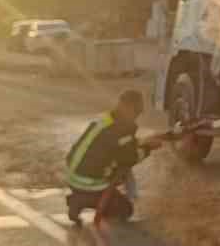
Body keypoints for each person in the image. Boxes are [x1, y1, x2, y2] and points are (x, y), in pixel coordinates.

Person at [64, 89, 162, 227]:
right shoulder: (122, 129)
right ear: (126, 107)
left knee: (115, 165)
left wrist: (142, 142)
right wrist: (149, 148)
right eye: (136, 112)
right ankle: (84, 200)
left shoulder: (106, 119)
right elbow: (130, 158)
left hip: (73, 177)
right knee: (125, 210)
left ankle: (80, 197)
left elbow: (117, 145)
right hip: (90, 182)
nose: (136, 117)